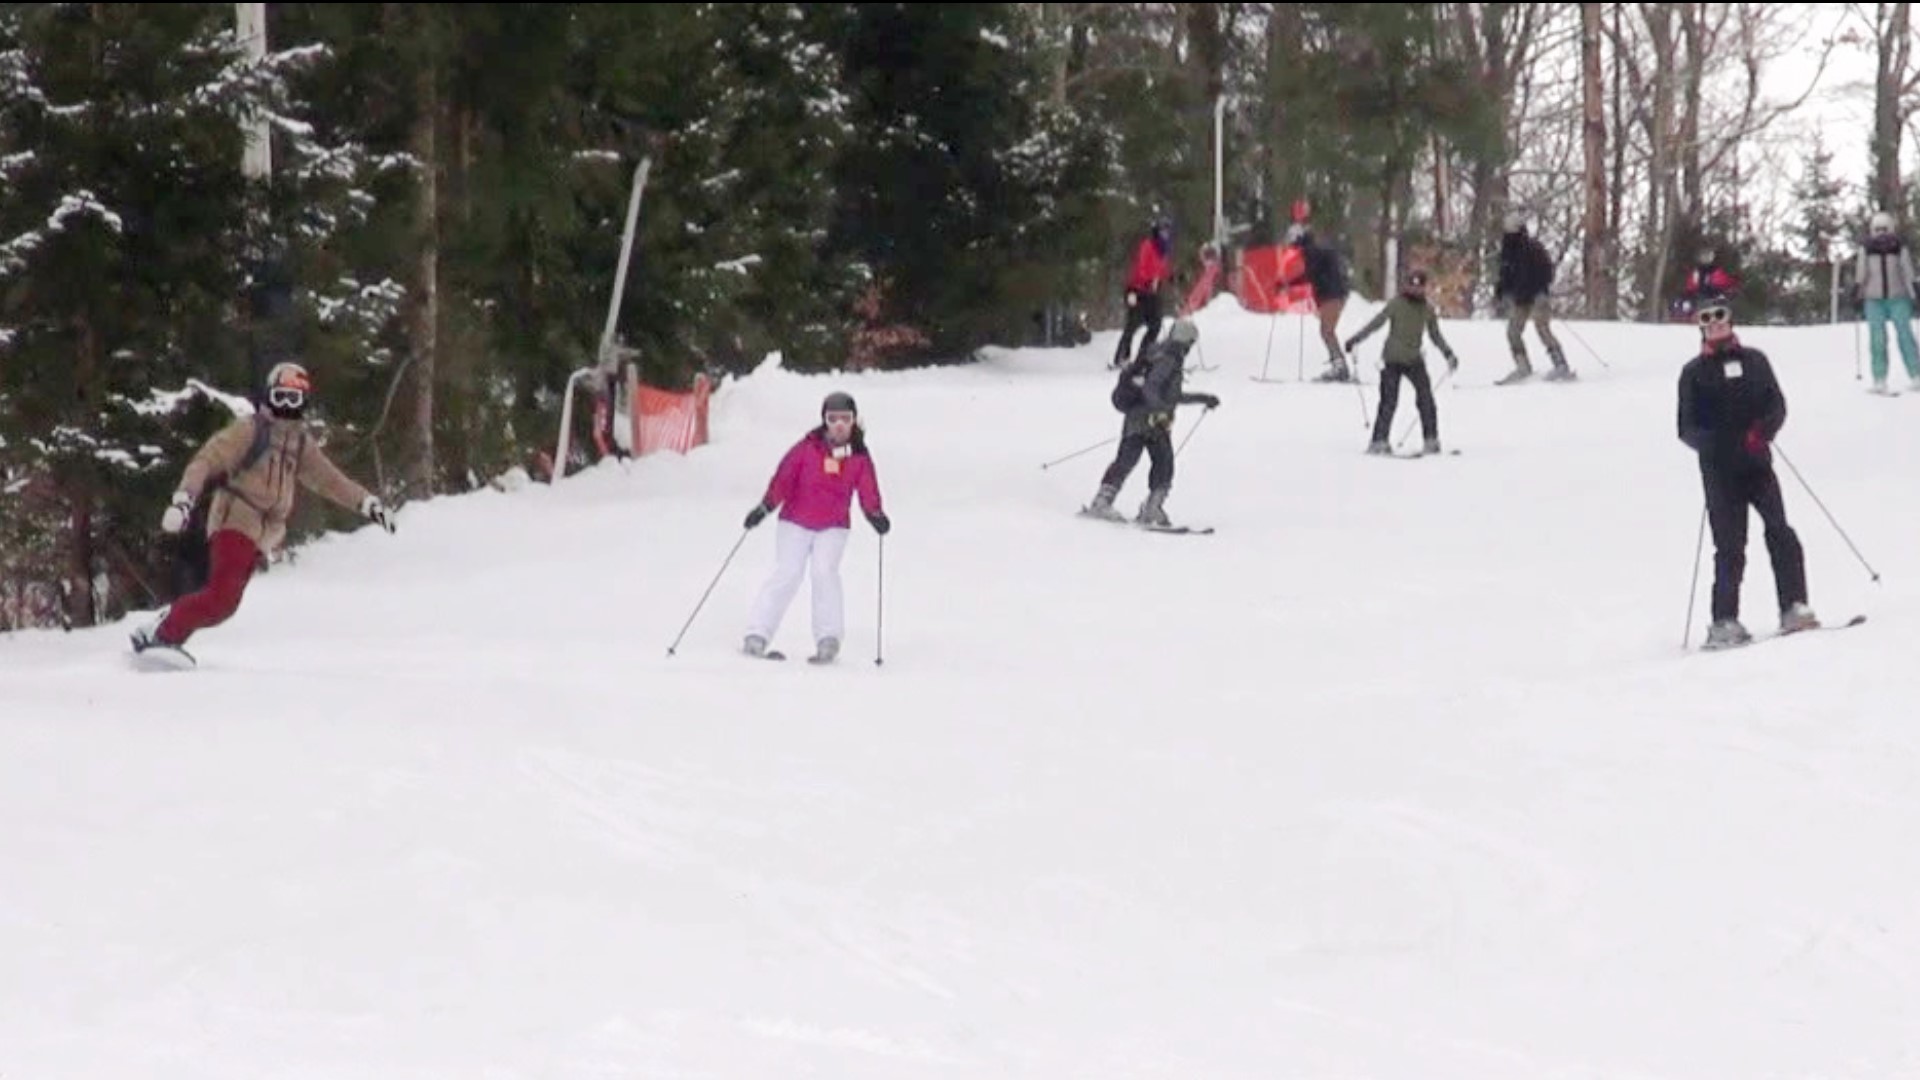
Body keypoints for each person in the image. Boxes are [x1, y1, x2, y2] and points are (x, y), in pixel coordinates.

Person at [131, 361, 395, 658]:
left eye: (293, 399)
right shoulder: (250, 430)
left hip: (263, 535)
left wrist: (366, 502)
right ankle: (164, 635)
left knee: (222, 602)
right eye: (280, 396)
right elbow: (206, 460)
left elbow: (329, 480)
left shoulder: (299, 443)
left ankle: (166, 625)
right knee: (222, 600)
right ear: (269, 395)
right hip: (236, 519)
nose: (286, 406)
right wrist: (184, 499)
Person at [1676, 295, 1819, 648]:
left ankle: (1794, 606)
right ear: (1702, 328)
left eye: (1721, 320)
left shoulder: (1755, 361)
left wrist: (1763, 431)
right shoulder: (1693, 373)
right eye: (1708, 322)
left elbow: (1776, 403)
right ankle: (1724, 620)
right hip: (1720, 473)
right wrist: (1714, 445)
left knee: (1781, 532)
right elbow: (1686, 427)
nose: (1716, 327)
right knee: (1729, 546)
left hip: (1757, 465)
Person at [741, 391, 889, 663]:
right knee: (788, 572)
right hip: (795, 521)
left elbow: (868, 489)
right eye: (833, 419)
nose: (840, 425)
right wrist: (765, 507)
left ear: (855, 421)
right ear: (824, 421)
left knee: (825, 573)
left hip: (833, 526)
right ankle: (757, 634)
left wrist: (875, 514)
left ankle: (828, 638)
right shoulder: (807, 448)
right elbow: (783, 479)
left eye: (846, 419)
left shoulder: (858, 456)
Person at [1083, 317, 1219, 527]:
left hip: (1137, 418)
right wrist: (1160, 413)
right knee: (1163, 464)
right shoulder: (1170, 358)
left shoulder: (1157, 353)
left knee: (1127, 460)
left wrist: (1203, 398)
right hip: (1152, 421)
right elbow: (1152, 389)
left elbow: (1170, 395)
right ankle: (1151, 509)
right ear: (1187, 341)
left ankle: (1103, 500)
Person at [1343, 268, 1459, 455]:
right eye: (1411, 285)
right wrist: (1355, 339)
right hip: (1392, 360)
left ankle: (1431, 439)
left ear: (1424, 287)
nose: (1415, 290)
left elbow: (1435, 335)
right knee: (1388, 401)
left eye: (1419, 286)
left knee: (1426, 399)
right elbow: (1376, 323)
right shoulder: (1396, 304)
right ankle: (1379, 440)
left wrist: (1448, 354)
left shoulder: (1427, 309)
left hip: (1414, 360)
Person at [1494, 213, 1573, 384]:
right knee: (1513, 331)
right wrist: (1501, 290)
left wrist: (1538, 287)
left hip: (1538, 296)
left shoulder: (1533, 248)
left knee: (1542, 328)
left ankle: (1561, 364)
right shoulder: (1507, 252)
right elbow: (1505, 275)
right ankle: (1523, 366)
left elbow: (1547, 271)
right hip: (1520, 299)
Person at [1852, 209, 1920, 394]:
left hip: (1898, 297)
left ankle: (1916, 375)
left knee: (1905, 335)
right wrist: (1857, 293)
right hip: (1873, 299)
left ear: (1890, 229)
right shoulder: (1866, 248)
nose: (1881, 234)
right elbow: (1861, 272)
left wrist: (1914, 290)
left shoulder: (1898, 247)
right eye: (1878, 229)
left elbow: (1907, 269)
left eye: (1885, 229)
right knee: (1877, 339)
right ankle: (1879, 379)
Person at [1284, 223, 1354, 382]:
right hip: (1332, 293)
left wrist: (1289, 284)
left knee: (1326, 331)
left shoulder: (1311, 252)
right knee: (1326, 330)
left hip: (1332, 294)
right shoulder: (1315, 250)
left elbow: (1309, 274)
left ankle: (1340, 367)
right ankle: (1339, 364)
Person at [1112, 216, 1172, 368]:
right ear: (1157, 232)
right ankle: (1121, 357)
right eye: (1162, 231)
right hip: (1137, 289)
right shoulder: (1148, 245)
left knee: (1155, 325)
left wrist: (1172, 278)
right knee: (1133, 324)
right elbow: (1141, 267)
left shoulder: (1164, 250)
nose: (1165, 234)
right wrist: (1150, 279)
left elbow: (1163, 270)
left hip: (1152, 292)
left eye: (1167, 231)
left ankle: (1144, 356)